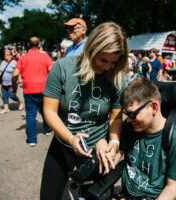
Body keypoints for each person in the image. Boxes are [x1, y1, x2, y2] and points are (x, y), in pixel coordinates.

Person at [40, 22, 128, 200]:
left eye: (113, 62)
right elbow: (49, 112)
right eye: (103, 60)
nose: (107, 67)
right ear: (91, 49)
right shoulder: (62, 67)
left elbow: (116, 118)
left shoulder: (117, 78)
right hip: (63, 144)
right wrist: (71, 138)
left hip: (98, 152)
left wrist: (114, 143)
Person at [112, 77, 176, 199]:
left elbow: (172, 188)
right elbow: (117, 154)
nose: (128, 119)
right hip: (126, 194)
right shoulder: (130, 126)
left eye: (133, 114)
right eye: (126, 114)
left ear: (154, 107)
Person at [12, 36, 53, 147]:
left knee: (30, 115)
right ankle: (48, 130)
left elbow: (15, 74)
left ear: (28, 45)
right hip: (44, 89)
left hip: (29, 90)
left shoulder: (23, 58)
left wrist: (13, 86)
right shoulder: (45, 56)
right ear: (39, 45)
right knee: (46, 110)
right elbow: (52, 70)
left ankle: (32, 140)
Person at [0, 49, 23, 114]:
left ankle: (20, 102)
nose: (6, 56)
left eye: (7, 55)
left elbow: (18, 72)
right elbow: (0, 72)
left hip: (13, 83)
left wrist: (20, 81)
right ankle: (6, 109)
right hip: (4, 83)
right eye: (5, 54)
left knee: (12, 95)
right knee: (4, 96)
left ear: (11, 56)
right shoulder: (2, 62)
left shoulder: (14, 62)